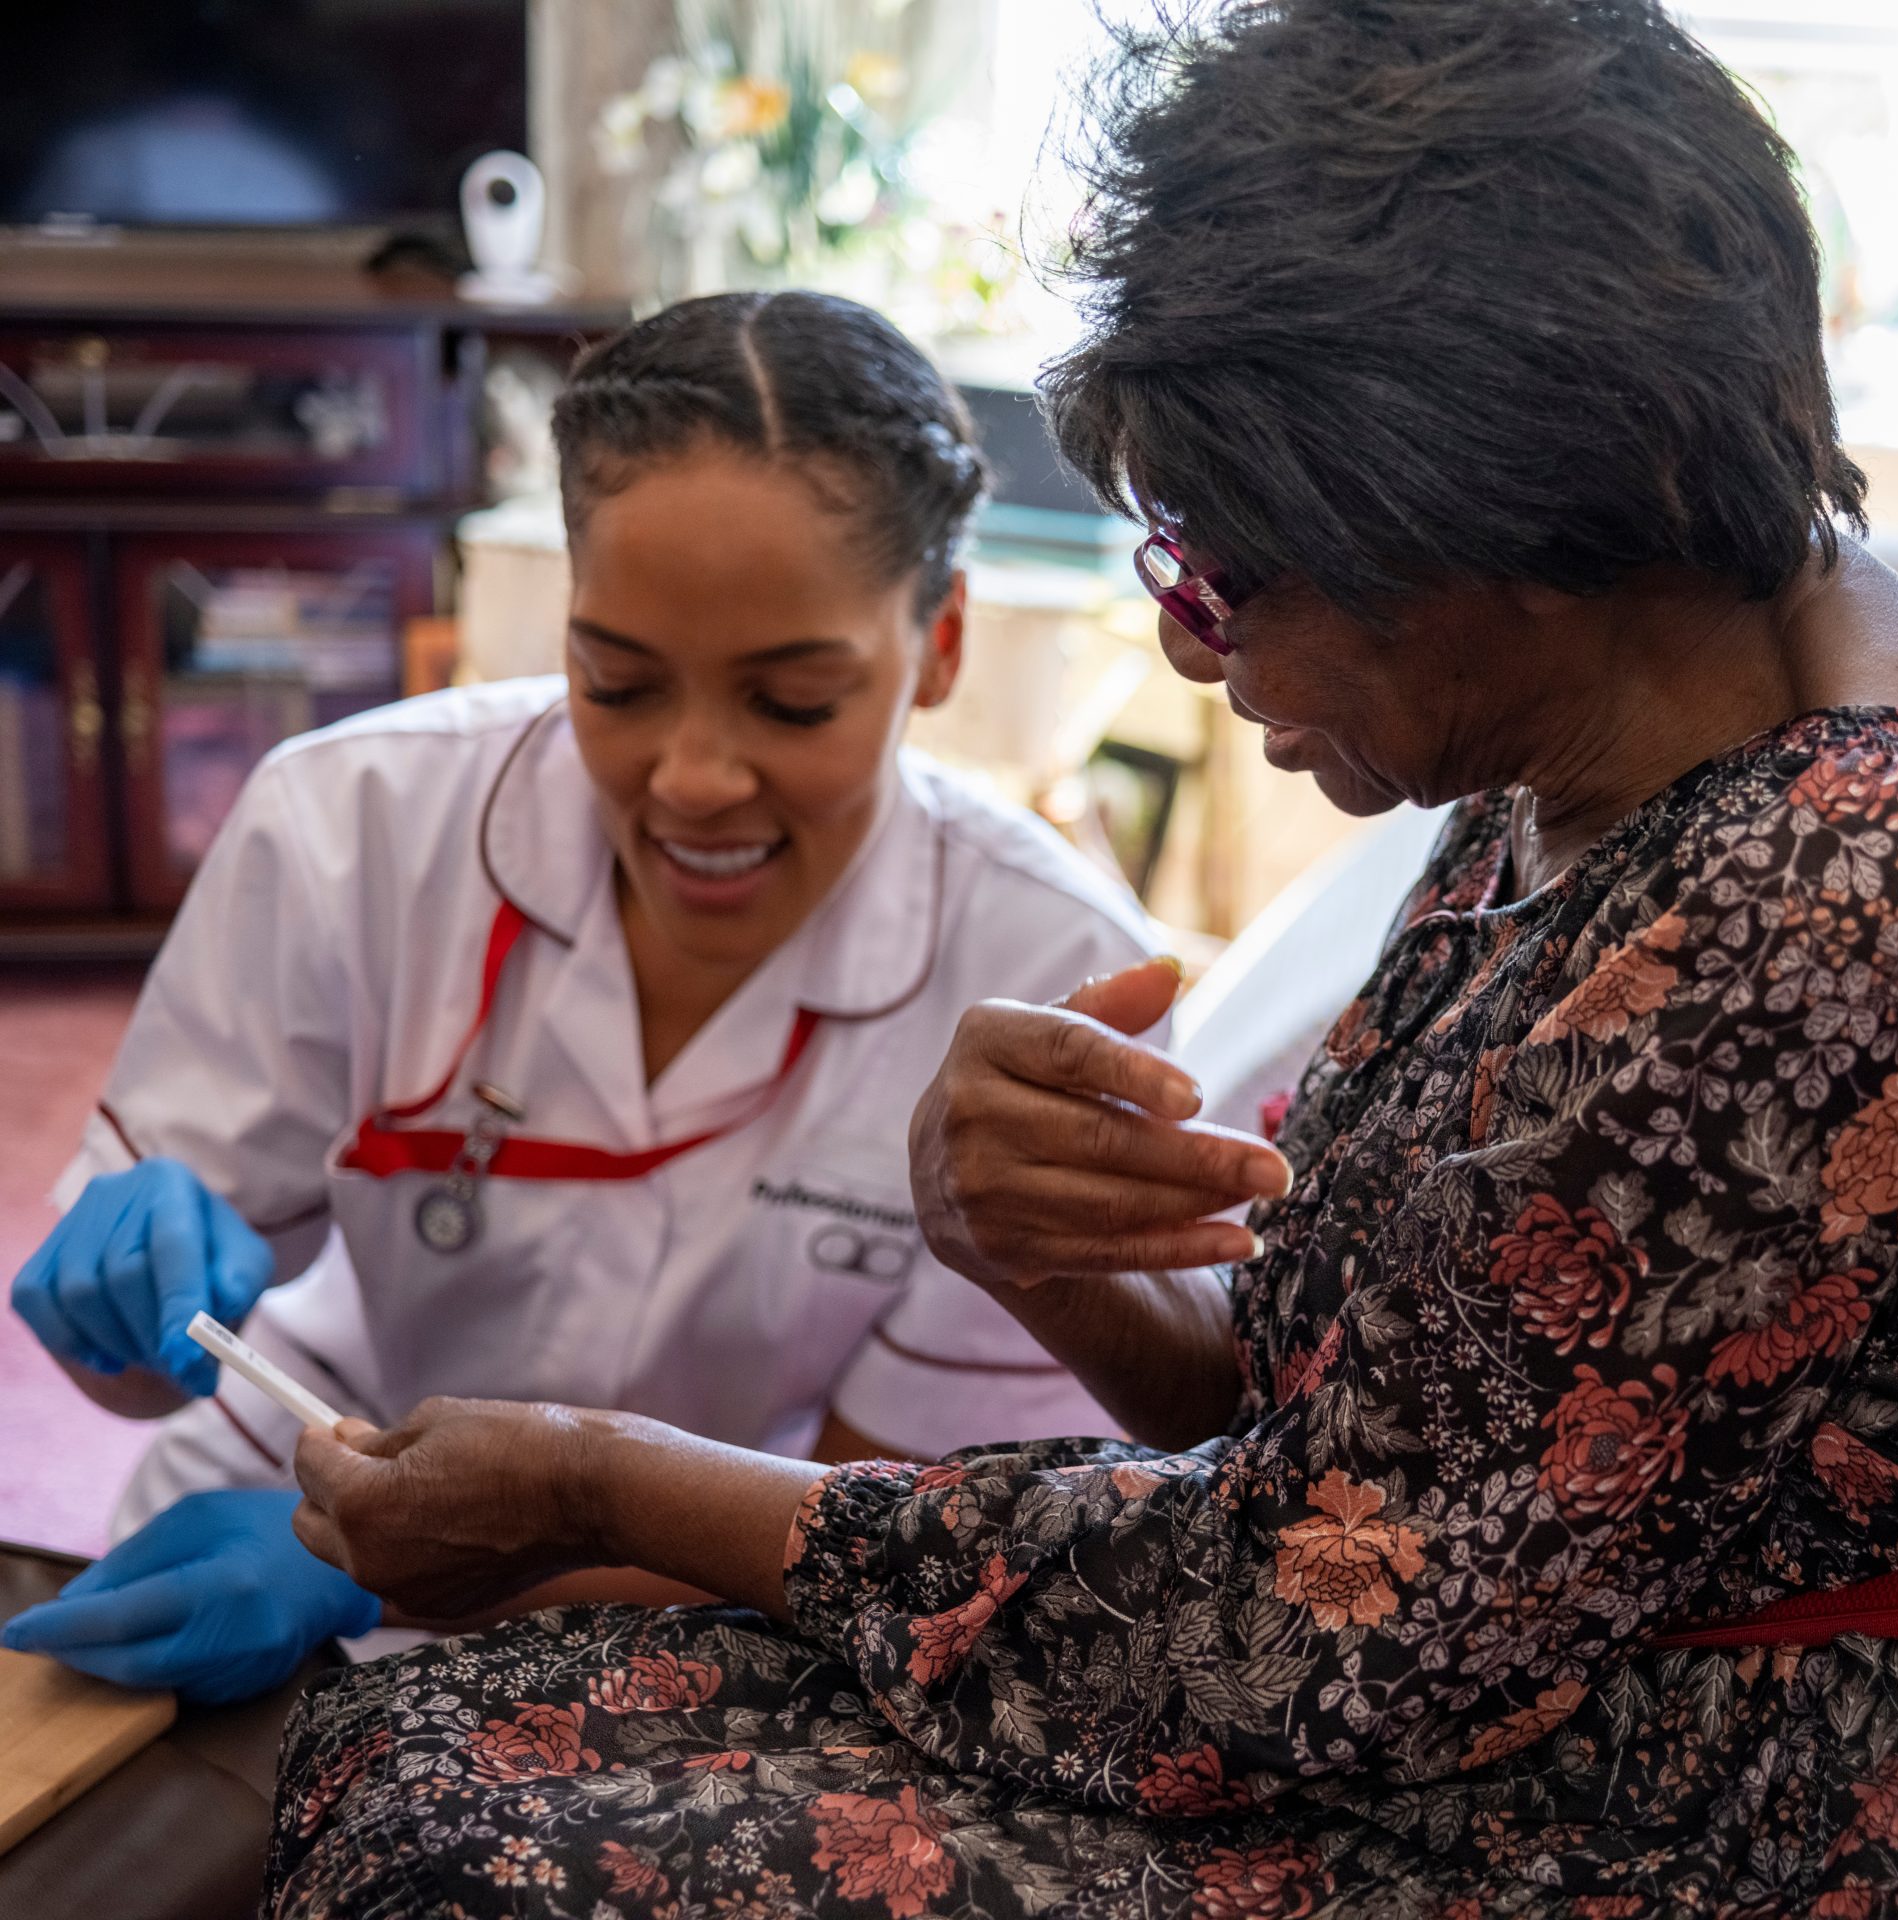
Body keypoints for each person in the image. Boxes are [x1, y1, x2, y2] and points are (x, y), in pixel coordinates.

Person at [258, 5, 1898, 1914]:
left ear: (1480, 525)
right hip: (1493, 1678)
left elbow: (1289, 1623)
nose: (1184, 653)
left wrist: (603, 1483)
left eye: (1224, 578)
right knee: (428, 1750)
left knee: (484, 1851)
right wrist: (1038, 1250)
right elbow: (1352, 1447)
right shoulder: (1589, 753)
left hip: (1786, 1801)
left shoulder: (1844, 899)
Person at [2, 291, 1176, 1705]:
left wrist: (394, 1579)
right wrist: (125, 1311)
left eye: (792, 704)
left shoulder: (1050, 973)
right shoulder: (351, 826)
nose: (693, 780)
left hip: (737, 1618)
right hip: (288, 1506)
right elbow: (153, 1369)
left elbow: (895, 1530)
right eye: (616, 683)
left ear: (937, 645)